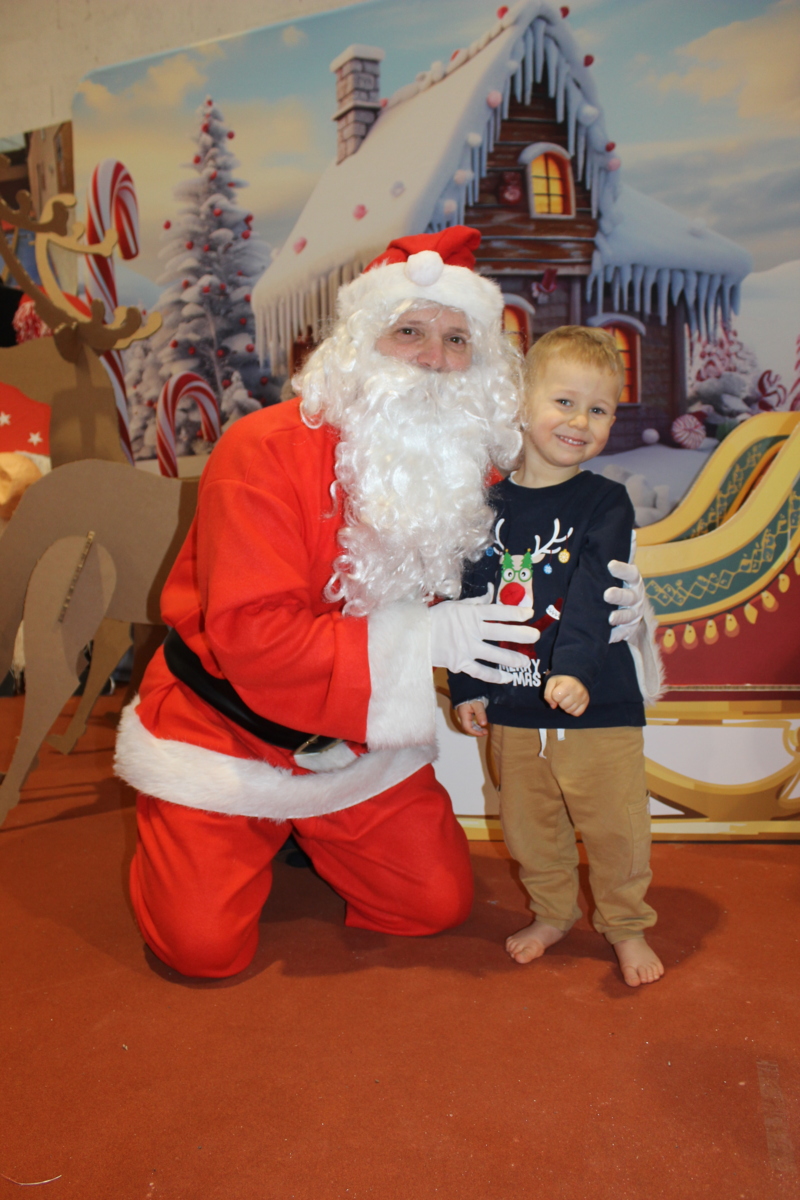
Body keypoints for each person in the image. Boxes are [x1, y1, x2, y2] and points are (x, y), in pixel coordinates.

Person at [114, 227, 653, 979]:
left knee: (434, 905)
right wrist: (426, 638)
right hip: (225, 733)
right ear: (359, 341)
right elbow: (251, 639)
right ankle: (201, 833)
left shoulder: (469, 467)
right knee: (201, 952)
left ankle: (304, 836)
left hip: (356, 742)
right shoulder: (260, 449)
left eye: (457, 339)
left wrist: (626, 608)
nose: (434, 358)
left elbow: (544, 561)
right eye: (409, 332)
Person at [449, 326, 664, 988]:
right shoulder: (483, 506)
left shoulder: (605, 501)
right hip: (513, 703)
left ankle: (625, 924)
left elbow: (596, 588)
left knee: (616, 828)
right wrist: (466, 684)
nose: (580, 421)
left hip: (596, 701)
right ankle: (553, 912)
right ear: (522, 402)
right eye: (564, 402)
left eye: (598, 409)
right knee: (528, 827)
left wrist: (574, 670)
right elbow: (467, 599)